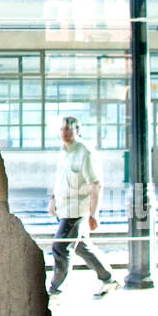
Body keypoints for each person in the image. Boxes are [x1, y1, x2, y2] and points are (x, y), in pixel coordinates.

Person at [47, 116, 119, 302]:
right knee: (81, 246)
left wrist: (94, 214)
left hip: (76, 211)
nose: (65, 132)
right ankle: (109, 279)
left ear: (77, 131)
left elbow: (96, 184)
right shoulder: (63, 152)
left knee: (60, 247)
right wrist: (53, 200)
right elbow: (60, 180)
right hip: (65, 208)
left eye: (69, 129)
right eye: (62, 129)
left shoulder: (85, 152)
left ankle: (55, 291)